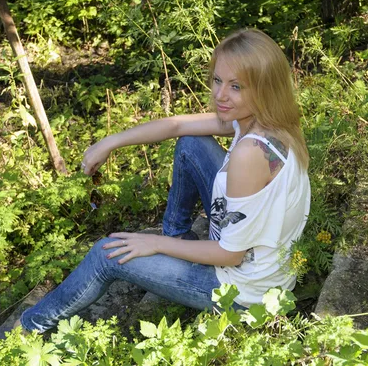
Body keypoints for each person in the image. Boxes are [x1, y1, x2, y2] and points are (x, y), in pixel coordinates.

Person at [17, 28, 310, 333]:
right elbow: (177, 125)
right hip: (260, 258)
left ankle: (29, 327)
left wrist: (155, 243)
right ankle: (179, 236)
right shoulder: (273, 120)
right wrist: (110, 142)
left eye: (236, 86)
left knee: (108, 254)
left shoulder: (250, 154)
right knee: (191, 143)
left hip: (244, 291)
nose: (220, 95)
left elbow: (230, 255)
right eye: (217, 80)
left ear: (264, 88)